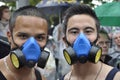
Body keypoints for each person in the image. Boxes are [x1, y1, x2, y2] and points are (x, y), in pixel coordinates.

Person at [61, 4, 120, 80]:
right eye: (74, 32)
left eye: (88, 31)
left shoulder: (116, 77)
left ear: (98, 38)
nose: (81, 38)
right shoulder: (64, 78)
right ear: (65, 40)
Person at [0, 6, 50, 80]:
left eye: (40, 38)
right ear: (9, 36)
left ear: (46, 39)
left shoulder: (40, 78)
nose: (32, 44)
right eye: (23, 36)